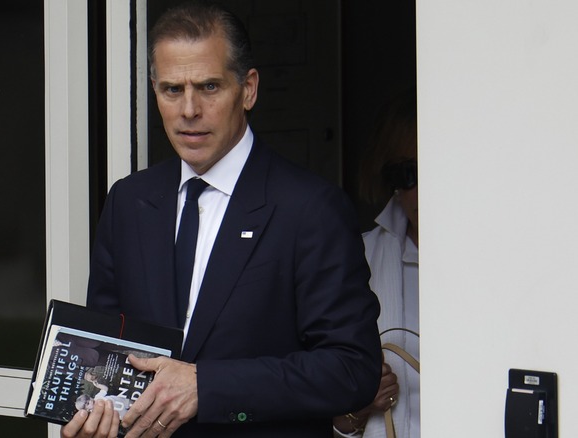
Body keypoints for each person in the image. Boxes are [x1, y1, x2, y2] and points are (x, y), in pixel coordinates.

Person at [62, 2, 382, 437]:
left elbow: (351, 369)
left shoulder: (310, 209)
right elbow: (105, 353)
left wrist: (206, 387)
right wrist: (91, 414)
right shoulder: (129, 201)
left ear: (248, 89)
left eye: (209, 87)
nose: (189, 109)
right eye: (172, 89)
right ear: (154, 91)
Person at [333, 89, 419, 437]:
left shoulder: (501, 263)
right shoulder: (358, 259)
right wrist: (358, 407)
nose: (423, 190)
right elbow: (334, 425)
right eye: (407, 173)